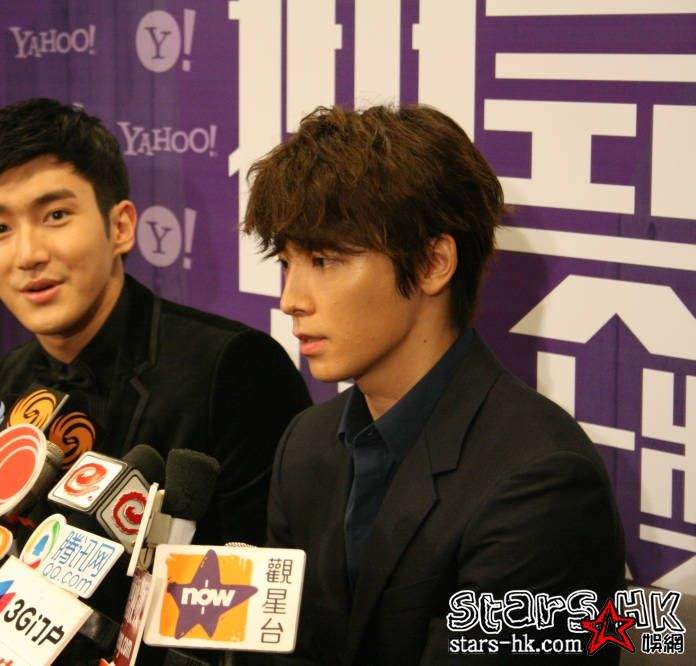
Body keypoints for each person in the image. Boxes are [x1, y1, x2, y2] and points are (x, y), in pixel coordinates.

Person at [243, 105, 624, 665]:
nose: (291, 299)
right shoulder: (306, 442)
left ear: (432, 263)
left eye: (324, 260)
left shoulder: (541, 483)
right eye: (287, 261)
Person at [0, 99, 312, 662]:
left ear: (121, 226)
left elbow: (270, 602)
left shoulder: (234, 366)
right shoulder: (16, 373)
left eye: (56, 216)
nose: (27, 255)